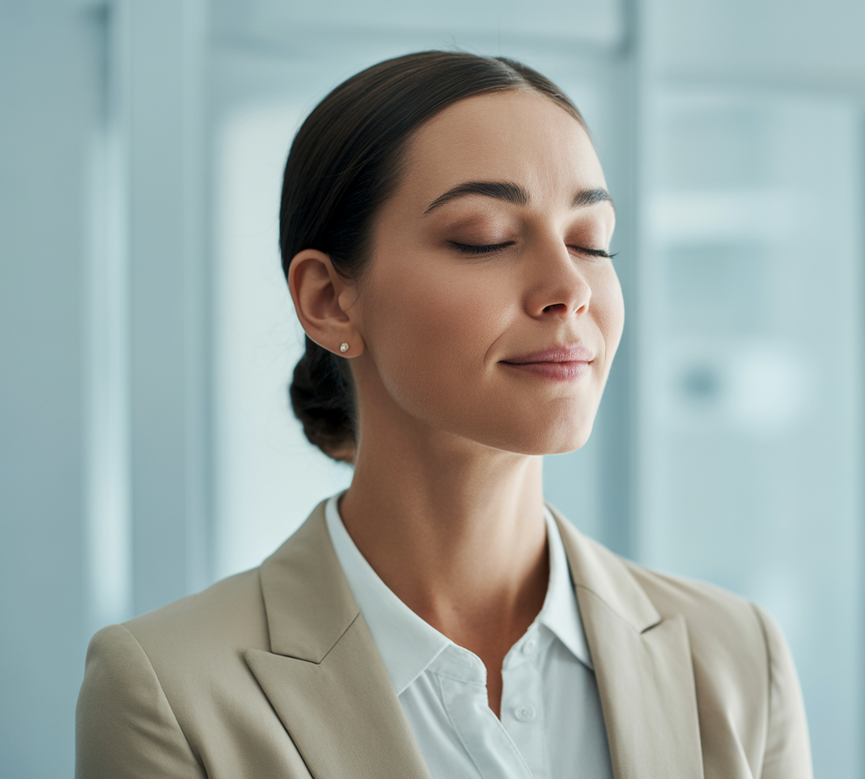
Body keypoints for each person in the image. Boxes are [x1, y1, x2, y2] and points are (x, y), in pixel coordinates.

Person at [76, 51, 813, 778]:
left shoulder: (737, 654)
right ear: (330, 298)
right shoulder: (169, 690)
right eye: (484, 238)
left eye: (591, 242)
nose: (568, 287)